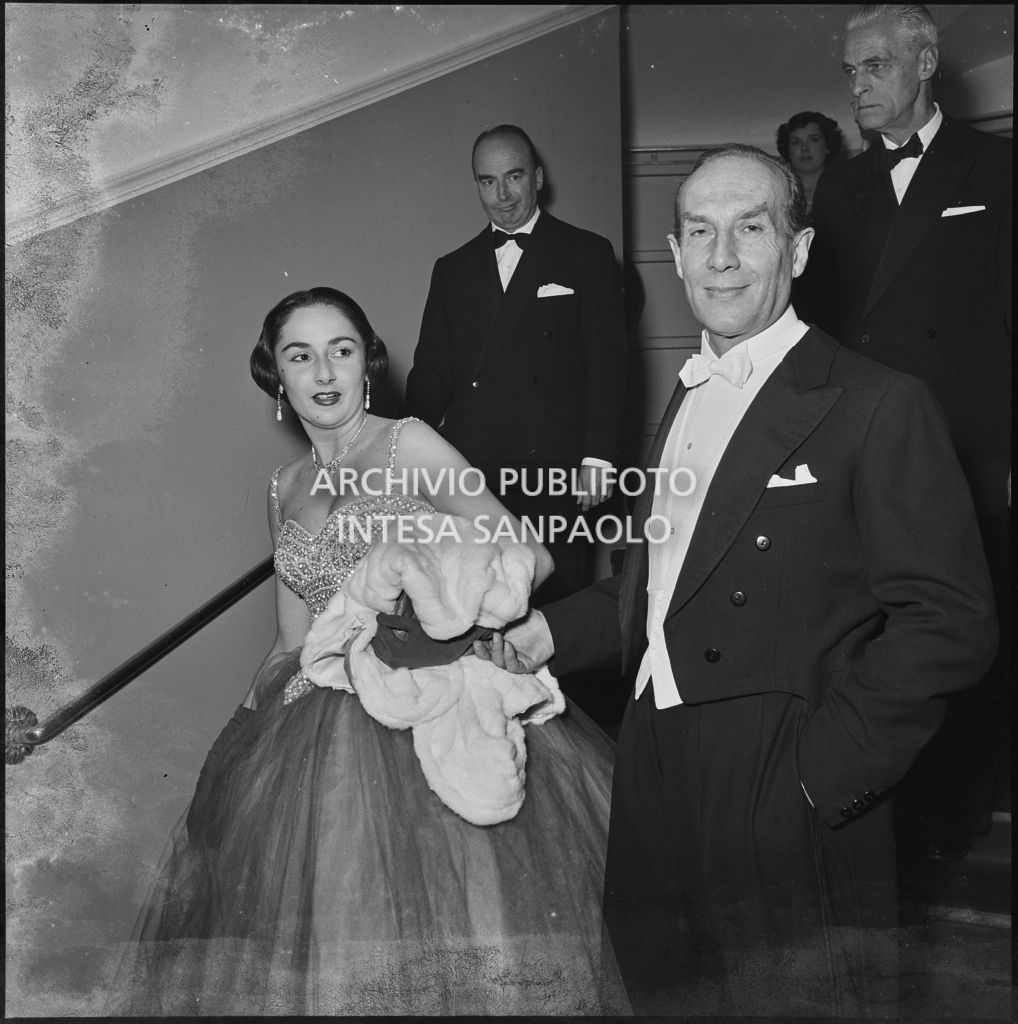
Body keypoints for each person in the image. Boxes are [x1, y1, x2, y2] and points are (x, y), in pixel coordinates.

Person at [477, 145, 998, 1017]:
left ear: (799, 249)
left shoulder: (877, 402)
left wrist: (822, 774)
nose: (721, 257)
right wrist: (543, 635)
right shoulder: (686, 398)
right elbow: (659, 585)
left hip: (779, 776)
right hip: (653, 761)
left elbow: (951, 621)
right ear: (675, 254)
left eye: (751, 229)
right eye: (700, 232)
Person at [108, 287, 629, 1016]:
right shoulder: (283, 487)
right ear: (276, 377)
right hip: (314, 728)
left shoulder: (405, 444)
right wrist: (245, 726)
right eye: (300, 356)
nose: (323, 372)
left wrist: (432, 613)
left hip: (424, 709)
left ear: (367, 365)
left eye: (341, 351)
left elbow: (530, 556)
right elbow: (293, 638)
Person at [798, 3, 1012, 863]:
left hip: (970, 448)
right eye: (850, 71)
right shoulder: (837, 187)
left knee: (962, 631)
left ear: (925, 64)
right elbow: (819, 329)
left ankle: (964, 815)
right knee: (872, 632)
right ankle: (891, 820)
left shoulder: (996, 168)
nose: (857, 86)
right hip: (866, 445)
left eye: (875, 66)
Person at [405, 124, 629, 603]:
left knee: (556, 605)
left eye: (514, 177)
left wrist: (598, 457)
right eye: (488, 181)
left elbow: (607, 365)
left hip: (554, 466)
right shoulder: (452, 268)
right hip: (472, 473)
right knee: (478, 605)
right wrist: (405, 458)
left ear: (538, 178)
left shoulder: (587, 253)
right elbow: (430, 374)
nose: (502, 196)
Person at [776, 109, 843, 214]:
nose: (804, 148)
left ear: (827, 146)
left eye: (813, 140)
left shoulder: (846, 192)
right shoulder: (776, 194)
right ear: (788, 150)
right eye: (796, 142)